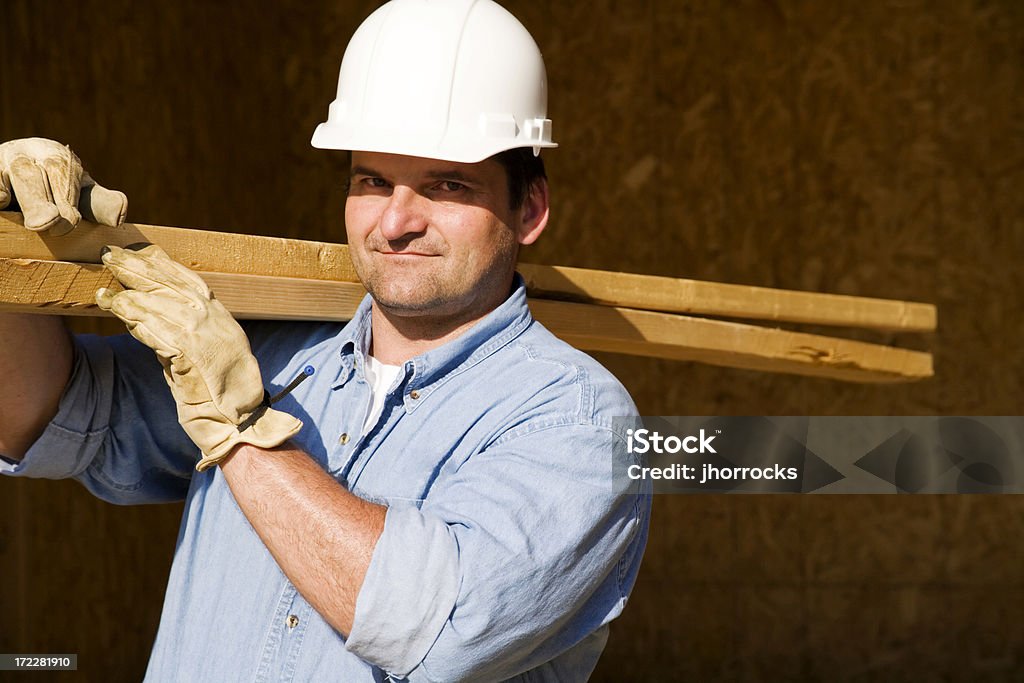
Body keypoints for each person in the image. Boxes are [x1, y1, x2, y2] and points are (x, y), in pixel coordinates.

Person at [0, 0, 651, 680]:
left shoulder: (579, 424)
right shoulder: (269, 353)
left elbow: (430, 625)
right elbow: (46, 415)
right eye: (373, 180)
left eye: (447, 185)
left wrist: (240, 429)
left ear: (531, 209)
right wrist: (6, 246)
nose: (396, 221)